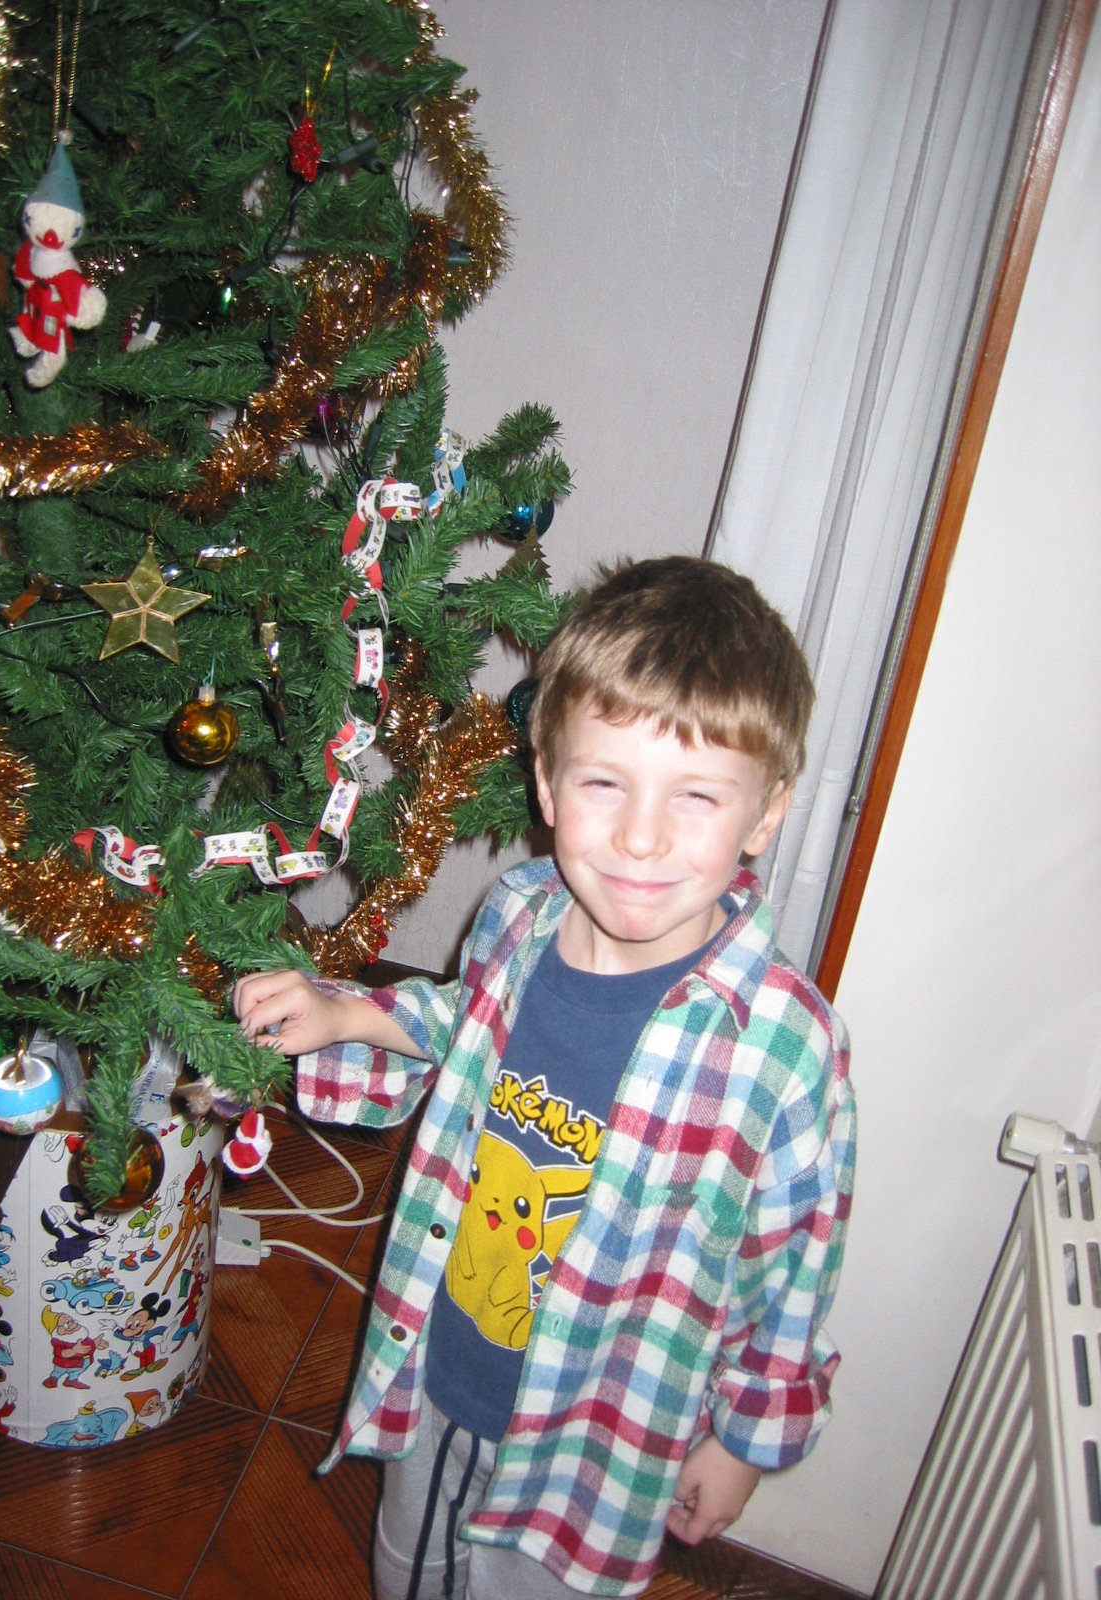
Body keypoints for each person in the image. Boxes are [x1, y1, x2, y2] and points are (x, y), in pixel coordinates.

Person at [234, 557, 855, 1600]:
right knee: (412, 1570)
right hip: (441, 1365)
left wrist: (744, 1441)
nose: (641, 837)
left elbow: (790, 1270)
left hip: (593, 1441)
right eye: (604, 783)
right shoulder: (519, 915)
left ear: (764, 815)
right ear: (545, 782)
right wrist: (346, 1015)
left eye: (697, 796)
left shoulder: (785, 1047)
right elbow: (461, 1027)